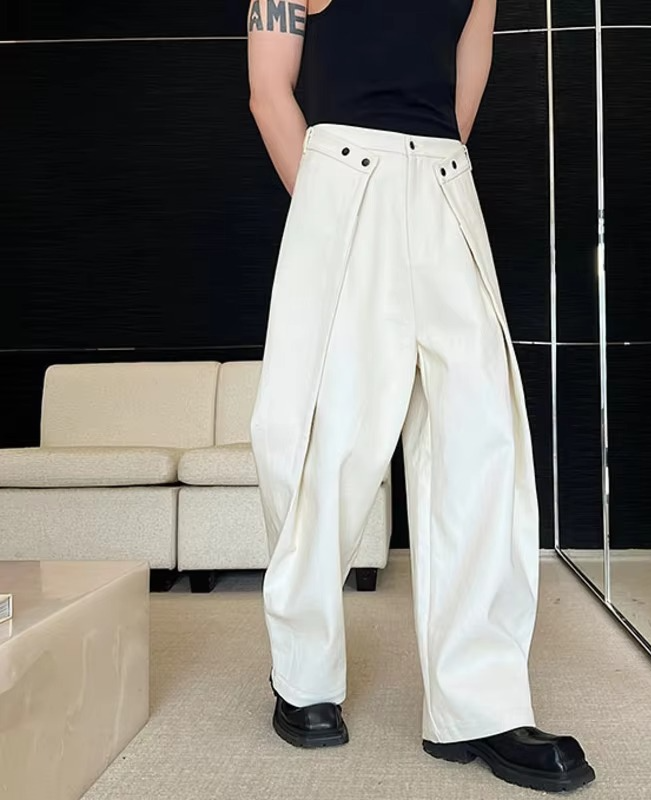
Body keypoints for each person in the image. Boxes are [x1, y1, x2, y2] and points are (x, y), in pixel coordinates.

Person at [246, 0, 595, 792]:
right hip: (341, 178)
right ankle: (303, 674)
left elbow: (464, 85)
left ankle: (479, 704)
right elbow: (269, 90)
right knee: (323, 443)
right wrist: (331, 204)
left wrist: (426, 179)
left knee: (481, 438)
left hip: (442, 180)